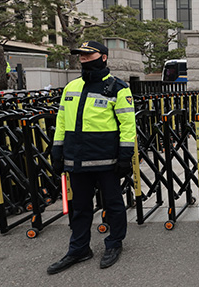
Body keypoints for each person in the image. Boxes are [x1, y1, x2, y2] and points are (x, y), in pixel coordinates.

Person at [48, 41, 136, 274]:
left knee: (114, 204)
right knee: (80, 207)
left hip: (106, 160)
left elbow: (128, 125)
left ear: (103, 57)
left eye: (89, 55)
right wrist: (57, 152)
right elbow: (61, 122)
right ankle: (78, 249)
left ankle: (114, 243)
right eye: (81, 56)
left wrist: (126, 156)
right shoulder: (71, 87)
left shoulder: (117, 87)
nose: (84, 59)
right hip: (76, 159)